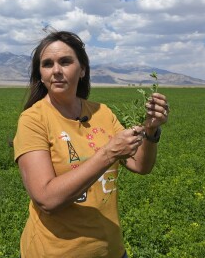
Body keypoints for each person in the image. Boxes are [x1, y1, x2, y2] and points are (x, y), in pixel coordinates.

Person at [13, 31, 170, 258]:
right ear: (41, 73)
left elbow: (140, 165)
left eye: (65, 61)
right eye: (47, 64)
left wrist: (150, 130)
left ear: (83, 69)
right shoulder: (33, 120)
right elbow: (47, 199)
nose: (56, 70)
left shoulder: (102, 112)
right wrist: (107, 154)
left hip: (111, 250)